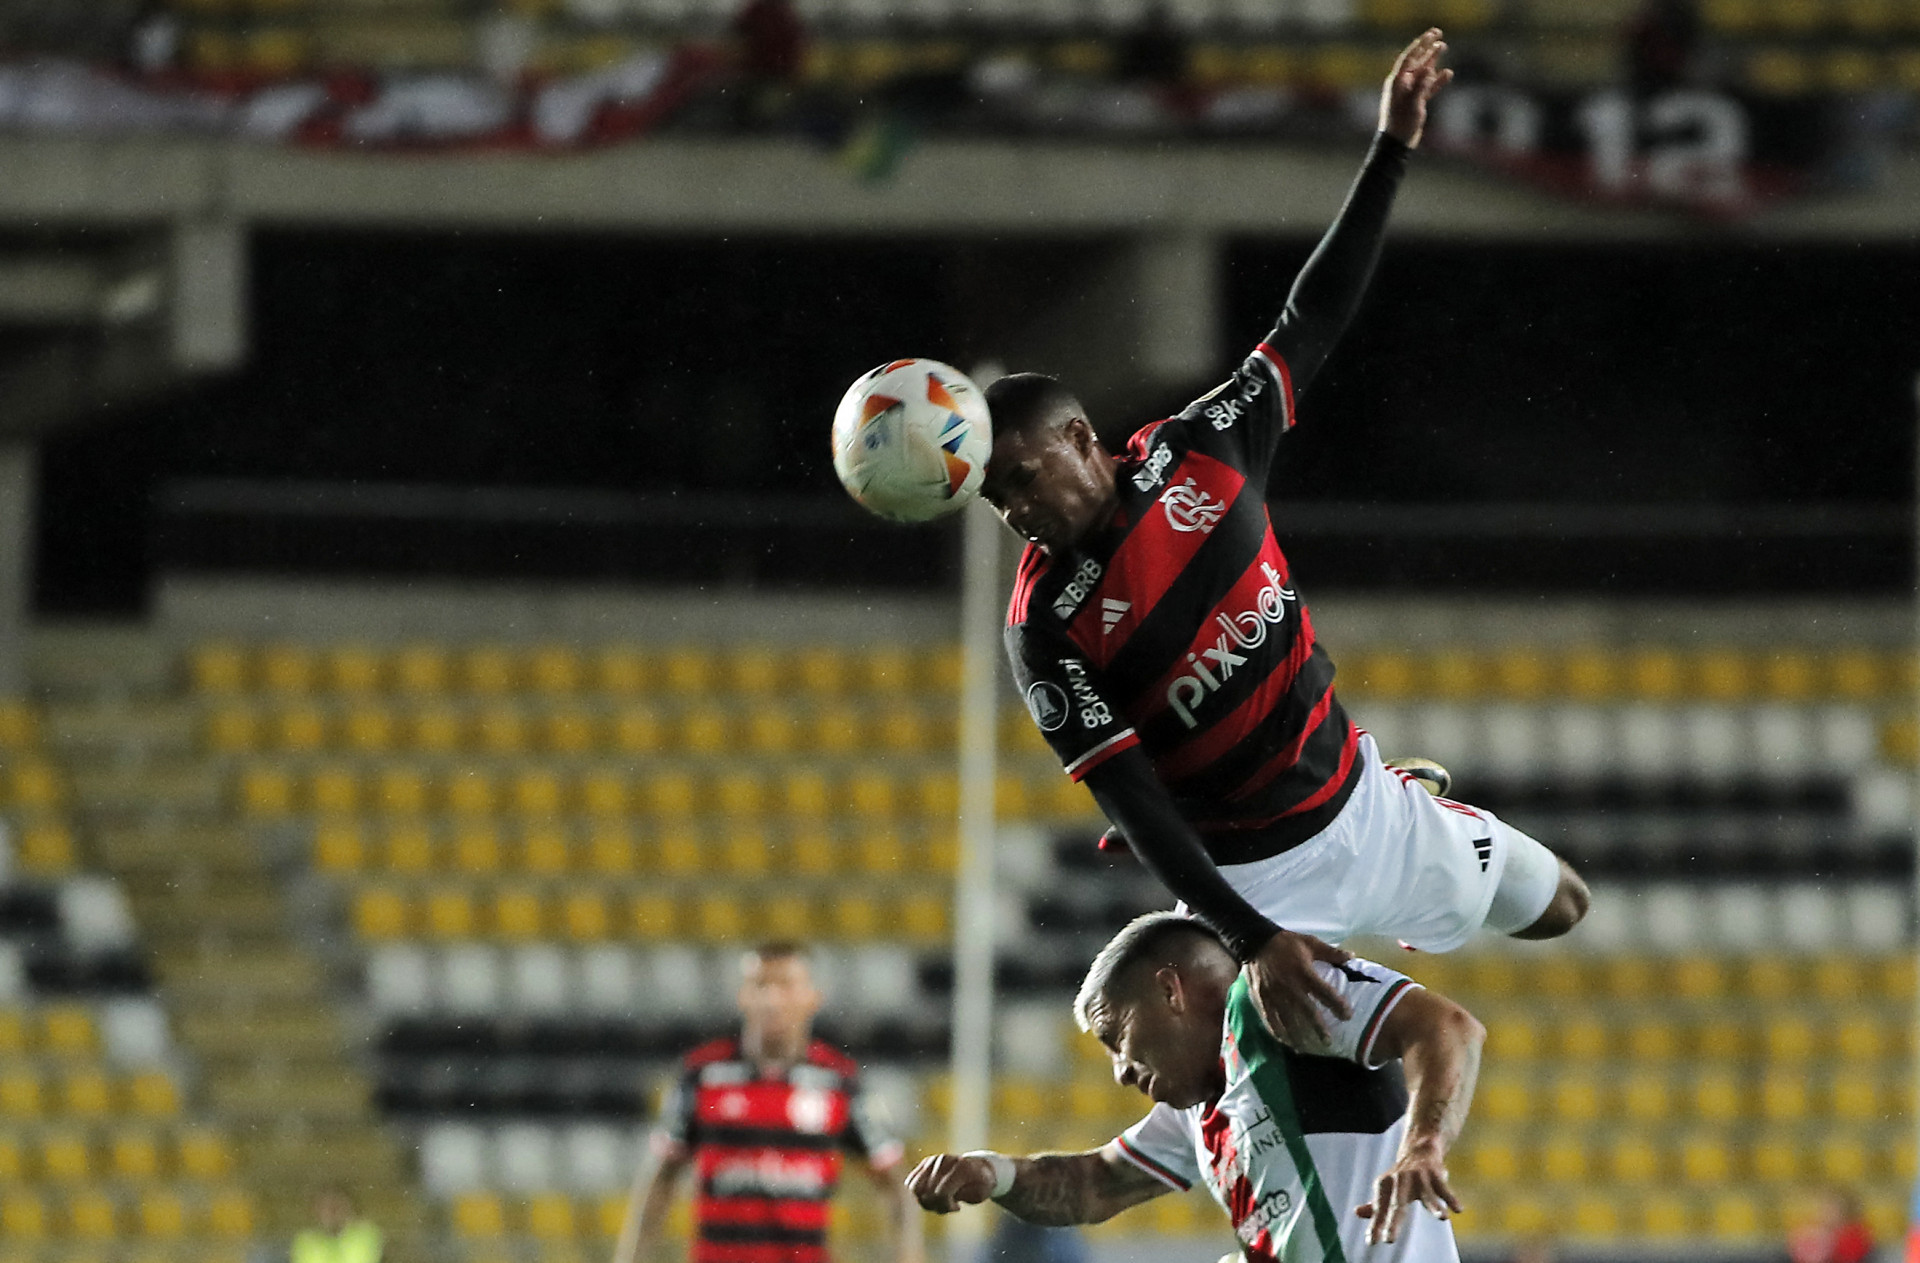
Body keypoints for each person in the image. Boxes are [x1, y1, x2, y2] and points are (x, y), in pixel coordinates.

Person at [981, 28, 1590, 1050]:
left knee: (1565, 905)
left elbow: (1311, 318)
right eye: (995, 497)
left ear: (1082, 441)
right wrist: (1251, 935)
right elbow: (1132, 802)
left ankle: (1424, 807)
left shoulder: (1204, 450)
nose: (1014, 508)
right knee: (1229, 1091)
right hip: (1248, 882)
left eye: (1024, 478)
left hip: (1367, 811)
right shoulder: (1044, 623)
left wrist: (1390, 148)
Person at [905, 912, 1485, 1261]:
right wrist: (993, 1174)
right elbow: (1095, 1184)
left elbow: (1447, 1028)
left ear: (1170, 992)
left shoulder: (1274, 1001)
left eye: (1116, 1036)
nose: (1122, 1071)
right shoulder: (1199, 1107)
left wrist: (1424, 1144)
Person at [612, 941, 924, 1263]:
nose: (772, 999)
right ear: (743, 996)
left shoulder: (839, 1081)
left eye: (786, 986)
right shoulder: (703, 1074)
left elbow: (896, 1184)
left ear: (813, 997)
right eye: (760, 985)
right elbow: (662, 1176)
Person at [291, 1187, 383, 1263]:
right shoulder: (305, 1240)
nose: (333, 1212)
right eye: (326, 1207)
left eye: (338, 1206)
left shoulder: (366, 1233)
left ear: (351, 1208)